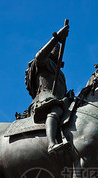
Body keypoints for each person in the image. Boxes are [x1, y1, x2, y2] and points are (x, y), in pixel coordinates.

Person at [25, 24, 70, 153]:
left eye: (58, 48)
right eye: (55, 48)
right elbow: (39, 57)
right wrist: (56, 39)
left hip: (60, 100)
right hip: (45, 99)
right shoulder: (42, 63)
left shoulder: (59, 71)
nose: (58, 50)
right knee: (55, 109)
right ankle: (51, 144)